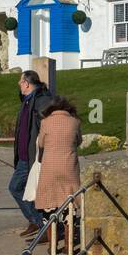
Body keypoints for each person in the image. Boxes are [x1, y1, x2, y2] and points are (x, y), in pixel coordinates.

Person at [9, 70, 53, 239]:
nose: (19, 85)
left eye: (20, 82)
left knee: (16, 187)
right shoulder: (28, 101)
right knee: (27, 190)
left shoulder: (42, 101)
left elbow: (46, 128)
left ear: (27, 83)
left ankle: (42, 225)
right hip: (23, 155)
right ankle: (37, 222)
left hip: (32, 156)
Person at [35, 97, 82, 244]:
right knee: (70, 204)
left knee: (49, 205)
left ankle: (53, 243)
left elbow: (41, 143)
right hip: (69, 167)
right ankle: (69, 243)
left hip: (50, 168)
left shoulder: (45, 122)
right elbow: (79, 141)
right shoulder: (75, 122)